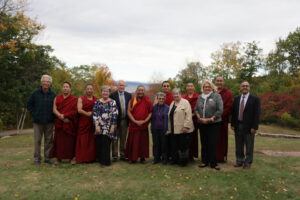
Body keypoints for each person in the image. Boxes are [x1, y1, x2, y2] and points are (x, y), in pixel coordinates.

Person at [27, 75, 56, 165]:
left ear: (50, 83)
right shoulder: (35, 93)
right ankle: (37, 159)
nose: (46, 83)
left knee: (48, 141)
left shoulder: (53, 94)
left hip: (49, 121)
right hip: (37, 122)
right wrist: (34, 114)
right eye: (44, 81)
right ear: (41, 82)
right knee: (37, 141)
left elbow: (56, 106)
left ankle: (47, 158)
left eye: (47, 82)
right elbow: (29, 105)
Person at [231, 81, 260, 169]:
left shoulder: (255, 99)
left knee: (249, 145)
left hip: (249, 127)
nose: (245, 87)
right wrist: (232, 124)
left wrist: (254, 127)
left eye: (247, 86)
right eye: (243, 86)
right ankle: (239, 160)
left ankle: (247, 162)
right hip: (238, 125)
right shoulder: (236, 98)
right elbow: (234, 112)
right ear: (240, 88)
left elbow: (257, 114)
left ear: (249, 88)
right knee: (238, 145)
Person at [194, 80, 223, 170]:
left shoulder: (217, 96)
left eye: (208, 87)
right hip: (202, 123)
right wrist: (199, 118)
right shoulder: (200, 97)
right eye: (205, 87)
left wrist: (211, 119)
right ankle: (204, 161)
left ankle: (213, 163)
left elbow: (220, 110)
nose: (207, 88)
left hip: (213, 123)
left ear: (212, 88)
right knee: (204, 143)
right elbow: (196, 110)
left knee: (212, 143)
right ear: (203, 88)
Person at [51, 82, 78, 165]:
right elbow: (54, 109)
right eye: (64, 87)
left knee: (70, 141)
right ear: (62, 88)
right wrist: (61, 116)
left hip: (69, 122)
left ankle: (71, 158)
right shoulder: (57, 98)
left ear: (70, 88)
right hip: (60, 122)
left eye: (67, 87)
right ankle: (58, 159)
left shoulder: (74, 99)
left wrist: (66, 116)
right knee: (59, 141)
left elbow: (75, 111)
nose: (65, 88)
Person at [125, 85, 153, 163]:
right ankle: (132, 158)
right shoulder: (132, 100)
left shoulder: (148, 101)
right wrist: (135, 121)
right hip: (134, 125)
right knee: (133, 142)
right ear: (136, 91)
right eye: (139, 90)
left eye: (142, 90)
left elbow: (150, 113)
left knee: (143, 142)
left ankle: (142, 157)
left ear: (144, 91)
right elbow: (128, 112)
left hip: (143, 125)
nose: (140, 92)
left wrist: (144, 121)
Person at [167, 88, 194, 166]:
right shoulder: (172, 103)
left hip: (183, 129)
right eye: (174, 94)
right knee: (175, 146)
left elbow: (189, 115)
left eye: (177, 93)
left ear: (180, 94)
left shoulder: (185, 102)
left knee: (183, 146)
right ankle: (175, 160)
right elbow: (170, 117)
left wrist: (186, 126)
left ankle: (183, 162)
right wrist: (169, 129)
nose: (176, 95)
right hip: (174, 129)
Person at [93, 86, 118, 167]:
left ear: (109, 93)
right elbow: (95, 114)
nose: (105, 93)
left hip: (109, 126)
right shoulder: (97, 102)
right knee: (100, 143)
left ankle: (106, 161)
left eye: (107, 91)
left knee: (106, 143)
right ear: (101, 92)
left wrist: (113, 126)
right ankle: (101, 160)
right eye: (104, 91)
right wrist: (96, 125)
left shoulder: (113, 102)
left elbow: (115, 114)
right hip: (99, 126)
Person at [109, 80, 132, 161]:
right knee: (115, 138)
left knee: (123, 138)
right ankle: (115, 155)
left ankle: (122, 155)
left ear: (125, 86)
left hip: (125, 120)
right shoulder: (112, 95)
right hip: (115, 120)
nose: (121, 87)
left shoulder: (128, 95)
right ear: (117, 86)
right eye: (120, 85)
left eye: (123, 85)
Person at [75, 84, 98, 163]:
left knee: (91, 140)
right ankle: (82, 158)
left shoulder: (96, 99)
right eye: (88, 89)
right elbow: (79, 110)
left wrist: (93, 113)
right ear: (85, 90)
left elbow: (99, 109)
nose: (89, 90)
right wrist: (87, 114)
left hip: (92, 122)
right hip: (83, 121)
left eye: (91, 89)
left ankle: (91, 158)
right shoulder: (81, 98)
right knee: (83, 139)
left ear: (93, 90)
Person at [215, 76, 233, 163]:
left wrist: (218, 116)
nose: (219, 82)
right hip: (211, 121)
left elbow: (228, 107)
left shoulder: (228, 93)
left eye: (221, 81)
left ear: (224, 82)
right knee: (213, 139)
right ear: (215, 82)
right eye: (218, 81)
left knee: (222, 140)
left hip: (222, 120)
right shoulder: (212, 92)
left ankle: (221, 157)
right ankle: (212, 155)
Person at [182, 82, 199, 161]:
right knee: (185, 138)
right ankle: (185, 155)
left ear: (194, 88)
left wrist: (192, 115)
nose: (190, 87)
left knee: (193, 139)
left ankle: (192, 155)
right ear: (186, 88)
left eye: (191, 86)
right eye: (188, 86)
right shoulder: (183, 97)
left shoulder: (198, 97)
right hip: (184, 120)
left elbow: (199, 108)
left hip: (194, 120)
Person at [150, 92, 169, 165]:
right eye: (159, 98)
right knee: (156, 144)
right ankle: (156, 158)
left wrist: (168, 129)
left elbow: (169, 120)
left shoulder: (167, 107)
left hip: (164, 129)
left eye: (162, 98)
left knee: (164, 144)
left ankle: (164, 159)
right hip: (155, 128)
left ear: (164, 99)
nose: (161, 100)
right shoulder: (154, 107)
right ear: (157, 99)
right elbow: (151, 118)